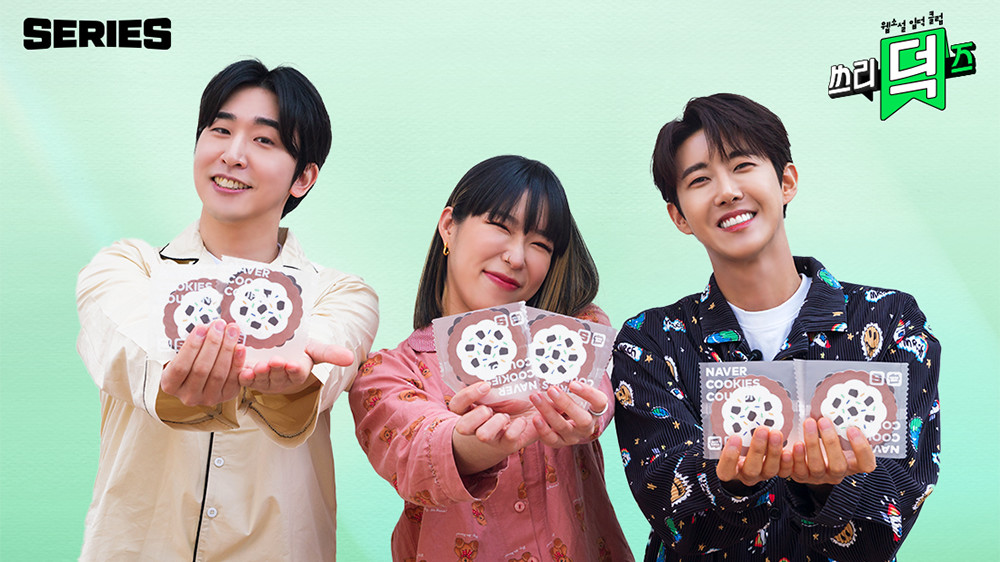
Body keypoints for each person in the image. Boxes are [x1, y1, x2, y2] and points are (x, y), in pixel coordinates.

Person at [612, 94, 940, 561]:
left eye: (742, 165)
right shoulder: (650, 340)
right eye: (700, 179)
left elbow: (900, 502)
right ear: (679, 216)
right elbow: (669, 508)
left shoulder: (890, 321)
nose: (727, 191)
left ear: (786, 181)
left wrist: (831, 487)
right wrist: (731, 485)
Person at [75, 59, 378, 560]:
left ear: (303, 177)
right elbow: (124, 353)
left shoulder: (341, 293)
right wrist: (182, 374)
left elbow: (324, 368)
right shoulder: (127, 267)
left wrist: (293, 384)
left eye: (264, 140)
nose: (233, 154)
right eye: (220, 130)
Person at [348, 155, 633, 561]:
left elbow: (595, 394)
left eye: (540, 244)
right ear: (449, 226)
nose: (517, 258)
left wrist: (584, 413)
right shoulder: (387, 374)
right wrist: (472, 445)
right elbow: (416, 449)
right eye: (500, 226)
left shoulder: (575, 331)